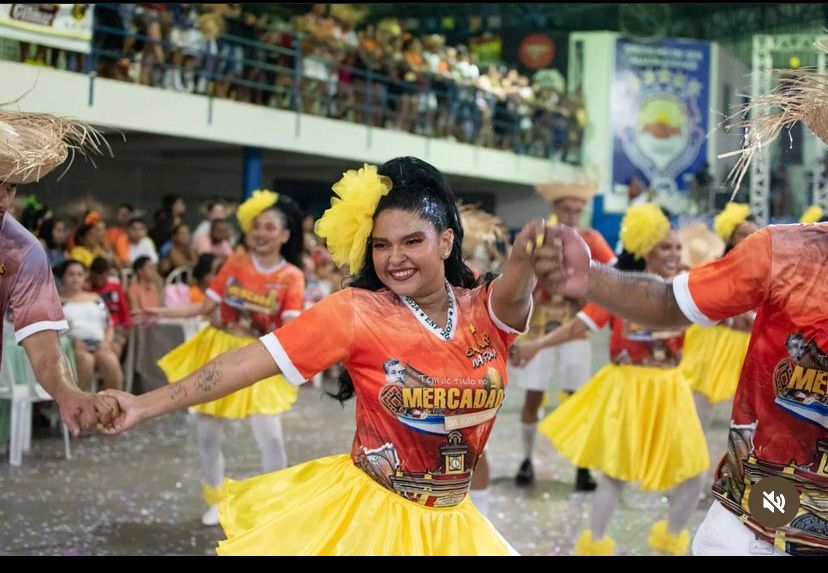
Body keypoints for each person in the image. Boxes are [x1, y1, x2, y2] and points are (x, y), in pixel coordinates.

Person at [100, 157, 541, 555]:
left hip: (454, 528)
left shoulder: (482, 306)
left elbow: (517, 289)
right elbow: (244, 362)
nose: (395, 258)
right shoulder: (355, 312)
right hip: (373, 524)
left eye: (412, 241)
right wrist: (143, 405)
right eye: (381, 245)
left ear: (445, 242)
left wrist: (528, 257)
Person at [514, 204, 708, 555]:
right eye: (665, 247)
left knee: (694, 474)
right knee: (616, 475)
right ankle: (596, 543)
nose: (673, 254)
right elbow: (580, 325)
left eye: (677, 248)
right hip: (629, 391)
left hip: (672, 391)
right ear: (645, 247)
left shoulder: (687, 287)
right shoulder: (622, 289)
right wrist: (535, 347)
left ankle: (670, 539)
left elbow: (731, 308)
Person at [137, 189, 305, 527]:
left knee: (269, 435)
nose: (261, 233)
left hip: (261, 355)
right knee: (207, 432)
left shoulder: (292, 277)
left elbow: (291, 326)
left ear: (285, 235)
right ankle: (214, 499)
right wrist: (163, 312)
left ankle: (275, 503)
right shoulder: (236, 263)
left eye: (270, 227)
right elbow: (204, 307)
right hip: (217, 350)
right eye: (257, 226)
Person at [0, 105, 117, 434]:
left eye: (11, 187)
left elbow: (43, 342)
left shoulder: (23, 251)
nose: (5, 201)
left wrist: (67, 391)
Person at [513, 177, 616, 491]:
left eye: (578, 209)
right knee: (533, 395)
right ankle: (527, 459)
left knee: (577, 397)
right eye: (567, 208)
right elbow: (518, 274)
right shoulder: (540, 236)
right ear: (554, 208)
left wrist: (589, 291)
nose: (573, 214)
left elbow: (614, 273)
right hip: (539, 323)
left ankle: (582, 467)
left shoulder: (591, 238)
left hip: (574, 328)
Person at [56, 260, 124, 392]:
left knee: (110, 360)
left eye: (79, 275)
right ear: (63, 277)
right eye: (71, 274)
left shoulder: (95, 298)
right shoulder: (57, 301)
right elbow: (54, 330)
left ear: (84, 277)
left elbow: (109, 324)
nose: (76, 278)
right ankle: (80, 408)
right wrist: (71, 343)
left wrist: (106, 342)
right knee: (86, 360)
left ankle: (113, 406)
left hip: (99, 343)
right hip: (72, 347)